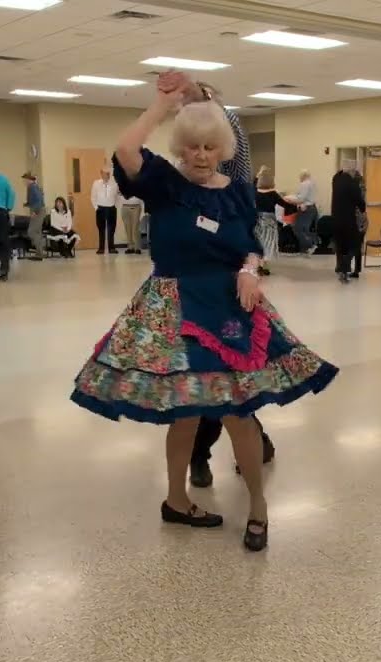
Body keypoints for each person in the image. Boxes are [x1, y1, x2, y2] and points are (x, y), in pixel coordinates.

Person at [69, 87, 337, 552]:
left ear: (223, 149)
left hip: (231, 308)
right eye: (191, 145)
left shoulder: (235, 191)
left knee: (240, 413)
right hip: (172, 307)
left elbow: (250, 242)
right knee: (185, 414)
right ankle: (176, 500)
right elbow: (126, 150)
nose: (200, 154)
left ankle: (258, 506)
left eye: (210, 146)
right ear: (180, 146)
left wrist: (251, 270)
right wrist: (163, 105)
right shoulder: (163, 182)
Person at [157, 70, 276, 488]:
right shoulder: (179, 160)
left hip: (233, 269)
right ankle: (201, 455)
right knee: (203, 381)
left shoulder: (228, 134)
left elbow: (248, 213)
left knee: (236, 372)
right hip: (192, 282)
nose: (201, 151)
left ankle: (250, 438)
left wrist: (249, 267)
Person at [331, 160, 365, 284]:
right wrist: (363, 209)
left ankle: (341, 268)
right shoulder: (353, 183)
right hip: (348, 219)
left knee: (340, 245)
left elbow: (339, 174)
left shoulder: (336, 180)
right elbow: (360, 201)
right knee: (355, 245)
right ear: (352, 171)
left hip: (335, 218)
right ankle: (344, 269)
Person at [91, 168, 119, 254]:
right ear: (101, 173)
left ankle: (111, 248)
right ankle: (101, 248)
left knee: (111, 229)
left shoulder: (114, 184)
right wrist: (96, 208)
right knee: (101, 229)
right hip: (100, 209)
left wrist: (115, 206)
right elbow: (93, 197)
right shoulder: (96, 183)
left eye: (108, 173)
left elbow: (117, 197)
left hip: (111, 208)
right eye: (104, 173)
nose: (106, 175)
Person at [293, 170, 319, 251]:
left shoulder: (304, 184)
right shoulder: (312, 183)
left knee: (298, 228)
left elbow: (301, 198)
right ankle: (308, 247)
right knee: (306, 229)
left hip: (306, 208)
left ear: (303, 176)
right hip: (312, 208)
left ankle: (310, 245)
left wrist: (290, 199)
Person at [23, 172, 45, 262]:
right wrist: (27, 204)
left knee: (31, 231)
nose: (24, 182)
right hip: (39, 210)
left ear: (29, 180)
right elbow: (37, 198)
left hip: (38, 210)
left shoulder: (32, 187)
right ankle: (39, 253)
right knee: (37, 232)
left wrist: (35, 211)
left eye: (24, 180)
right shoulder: (34, 187)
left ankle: (40, 253)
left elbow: (39, 200)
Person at [121, 189, 144, 255]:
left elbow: (143, 197)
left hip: (136, 207)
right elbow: (118, 195)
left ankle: (137, 248)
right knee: (127, 228)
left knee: (135, 229)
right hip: (125, 207)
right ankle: (130, 247)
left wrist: (143, 212)